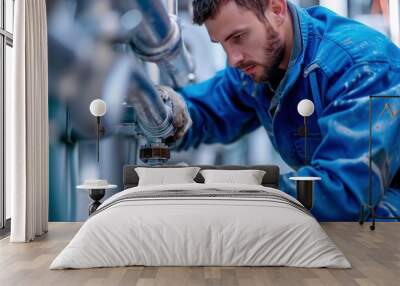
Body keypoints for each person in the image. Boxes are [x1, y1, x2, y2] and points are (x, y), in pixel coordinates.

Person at [157, 0, 400, 220]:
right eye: (222, 44)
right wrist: (161, 109)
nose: (233, 59)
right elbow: (206, 111)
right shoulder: (258, 67)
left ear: (276, 9)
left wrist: (230, 194)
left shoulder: (361, 67)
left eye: (239, 37)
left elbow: (343, 193)